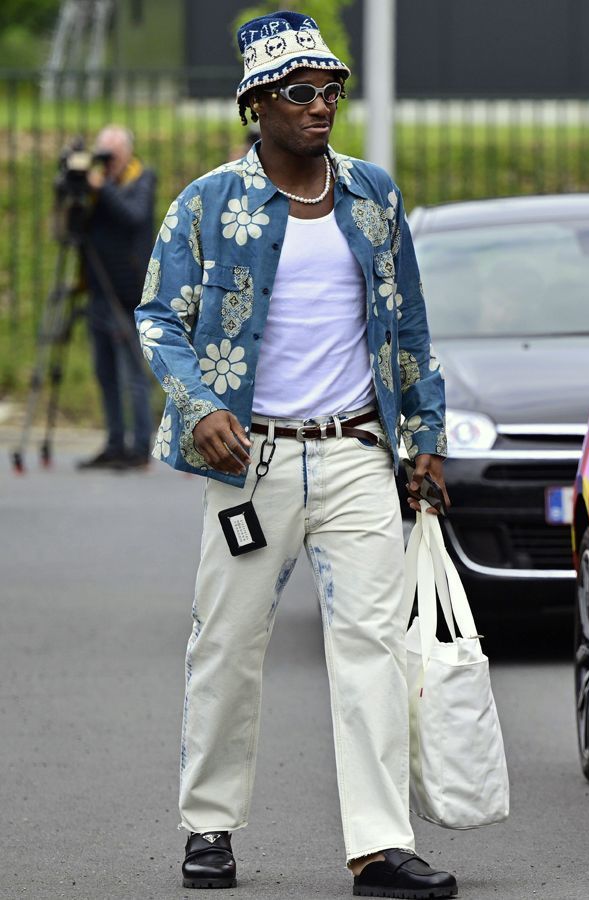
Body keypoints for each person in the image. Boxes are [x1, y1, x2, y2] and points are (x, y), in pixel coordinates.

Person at [135, 11, 457, 897]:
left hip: (355, 451)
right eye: (301, 93)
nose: (322, 106)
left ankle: (379, 847)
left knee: (372, 650)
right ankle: (209, 829)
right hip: (252, 463)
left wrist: (425, 441)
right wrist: (198, 404)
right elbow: (156, 316)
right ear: (256, 106)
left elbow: (411, 329)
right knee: (227, 645)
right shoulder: (207, 204)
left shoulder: (372, 195)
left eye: (332, 90)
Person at [79, 124, 157, 470]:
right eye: (103, 154)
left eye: (113, 154)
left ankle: (140, 448)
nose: (107, 161)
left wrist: (103, 187)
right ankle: (114, 442)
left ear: (127, 152)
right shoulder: (95, 185)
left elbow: (133, 216)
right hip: (96, 287)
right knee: (104, 372)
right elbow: (72, 225)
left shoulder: (142, 178)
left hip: (127, 292)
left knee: (131, 373)